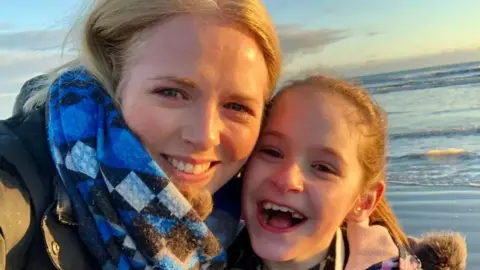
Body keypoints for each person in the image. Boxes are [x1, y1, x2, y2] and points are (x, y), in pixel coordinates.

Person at [0, 0, 281, 269]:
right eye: (171, 93)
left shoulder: (238, 225)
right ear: (111, 77)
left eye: (236, 107)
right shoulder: (12, 187)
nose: (205, 136)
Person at [226, 75, 468, 270]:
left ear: (363, 201)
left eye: (322, 167)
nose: (287, 178)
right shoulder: (202, 250)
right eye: (272, 151)